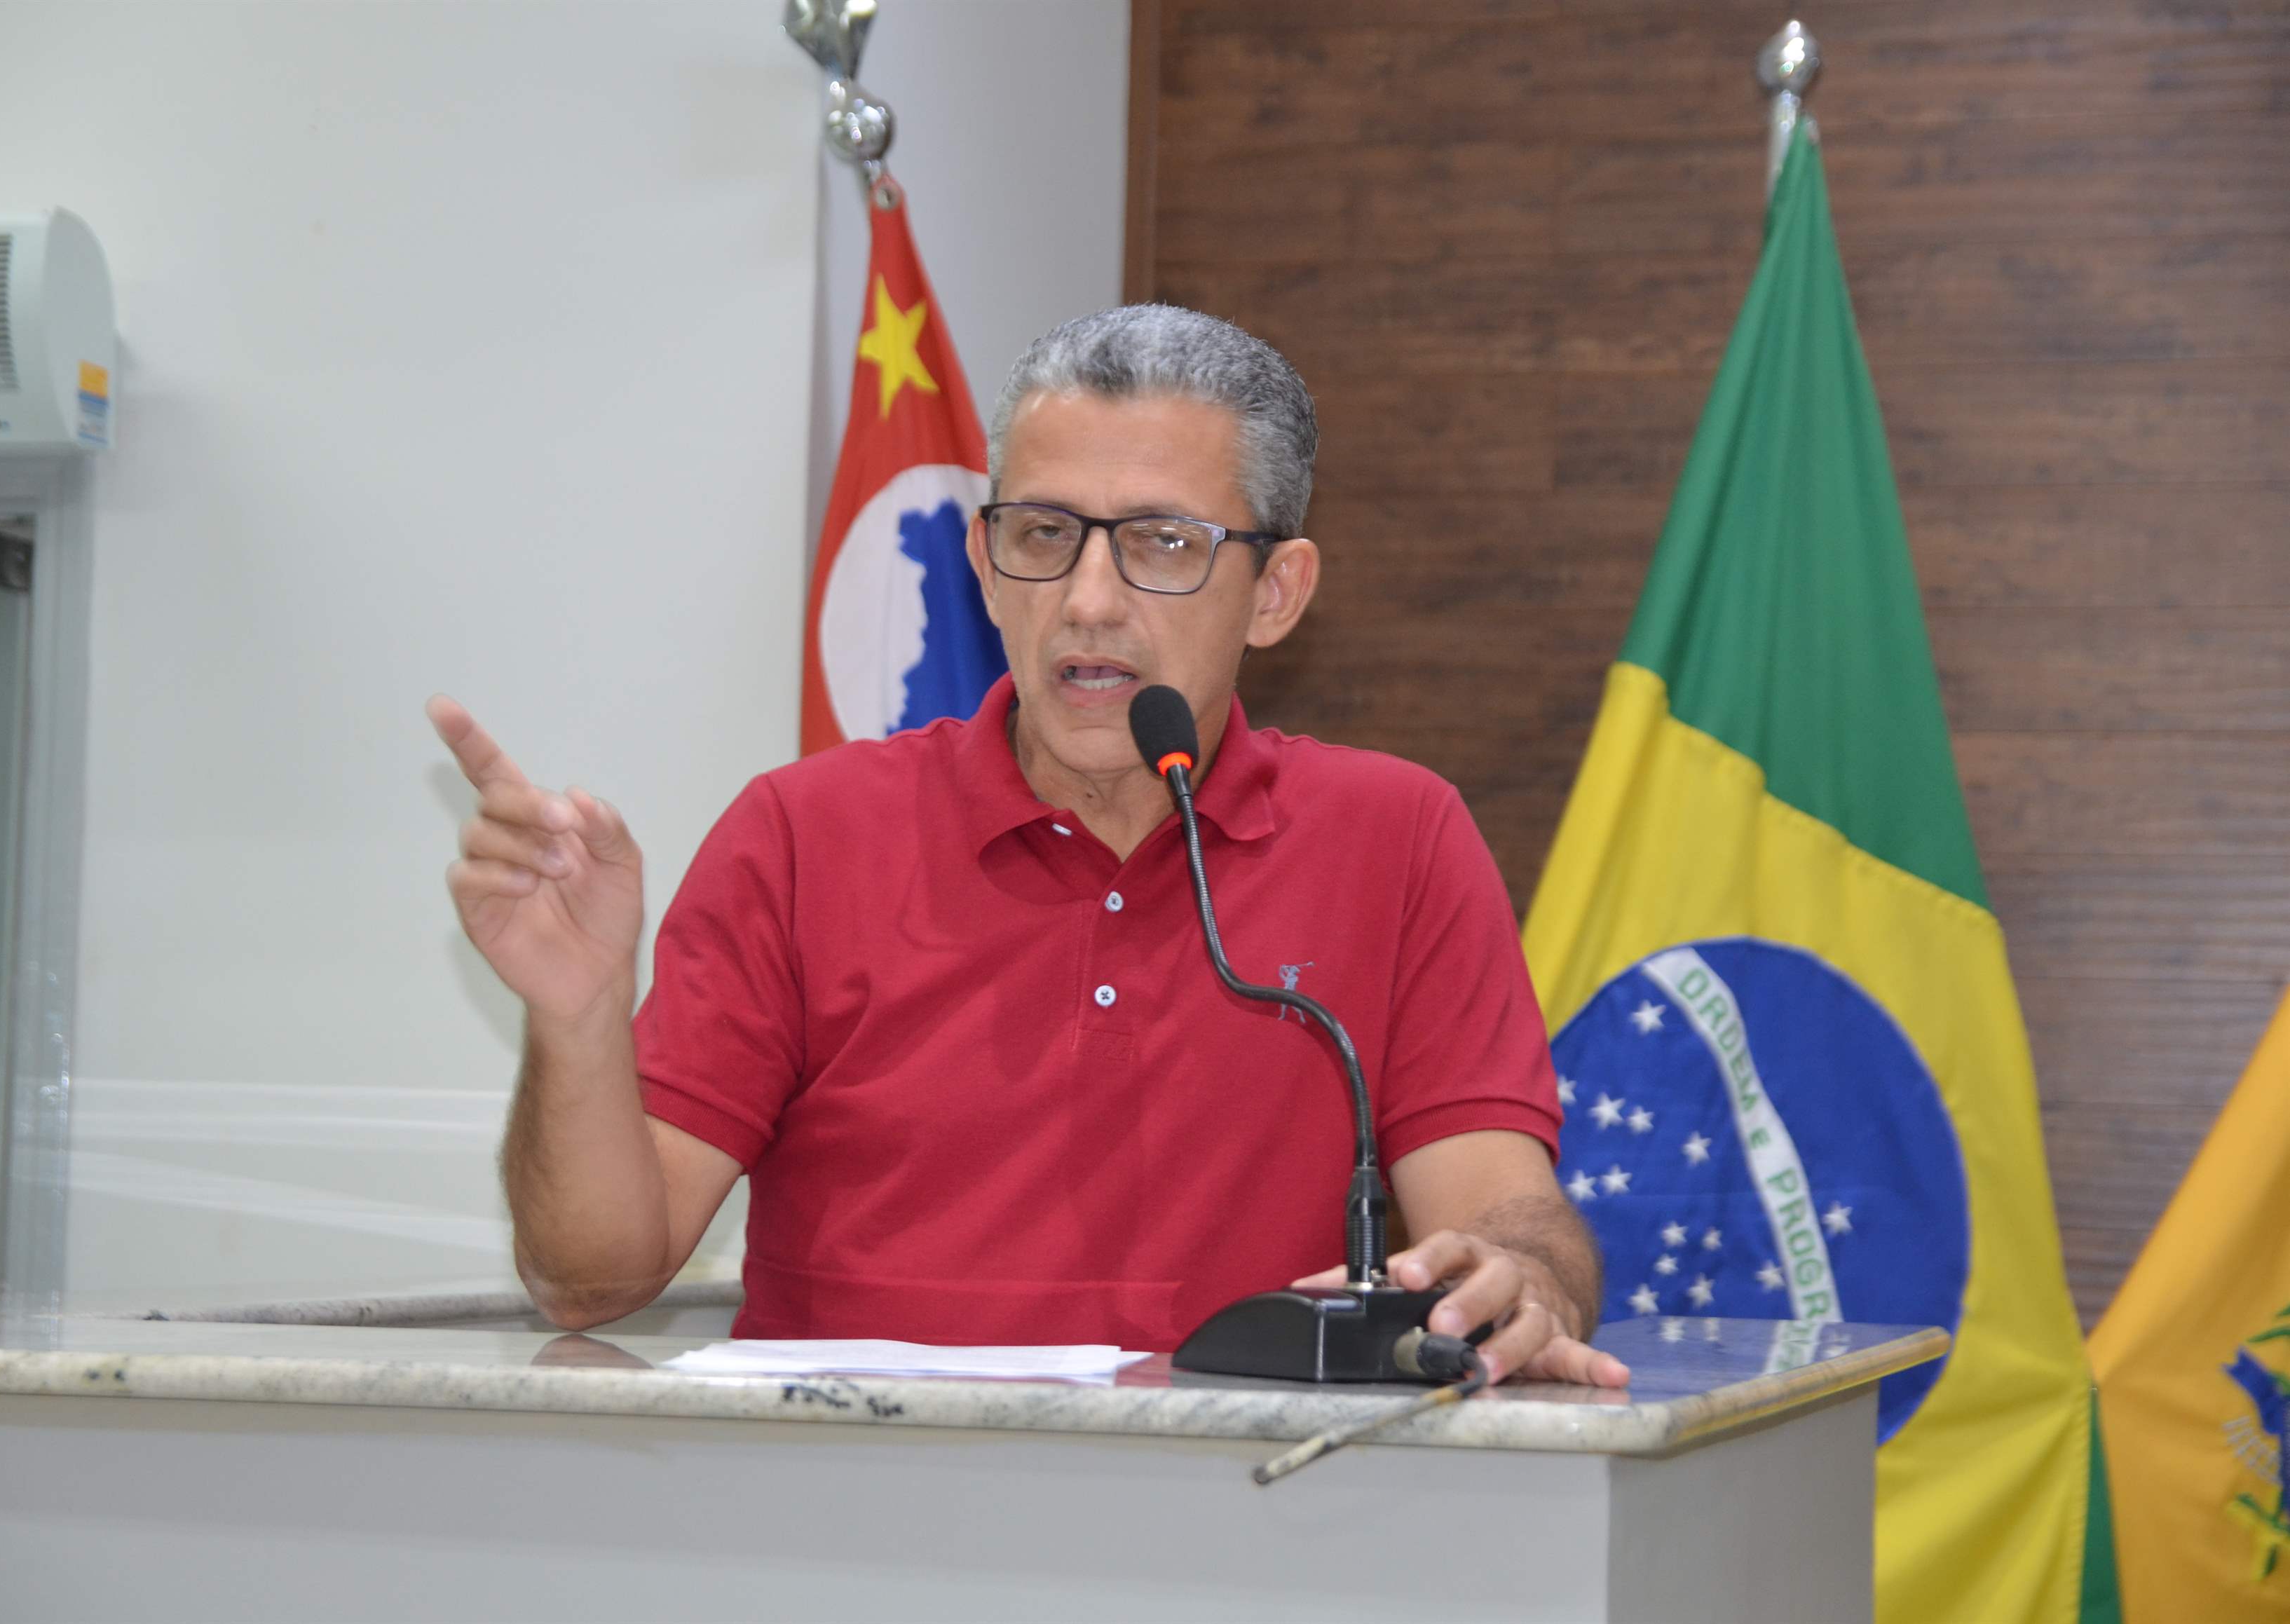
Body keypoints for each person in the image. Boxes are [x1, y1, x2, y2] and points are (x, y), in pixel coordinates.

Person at [429, 306, 1628, 1387]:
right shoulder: (802, 834)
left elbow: (1504, 1217)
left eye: (1162, 542)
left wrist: (1523, 1278)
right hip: (845, 1512)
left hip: (1253, 1515)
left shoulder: (1396, 837)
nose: (1088, 599)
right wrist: (578, 1019)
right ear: (984, 568)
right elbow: (589, 1284)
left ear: (1276, 592)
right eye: (1044, 533)